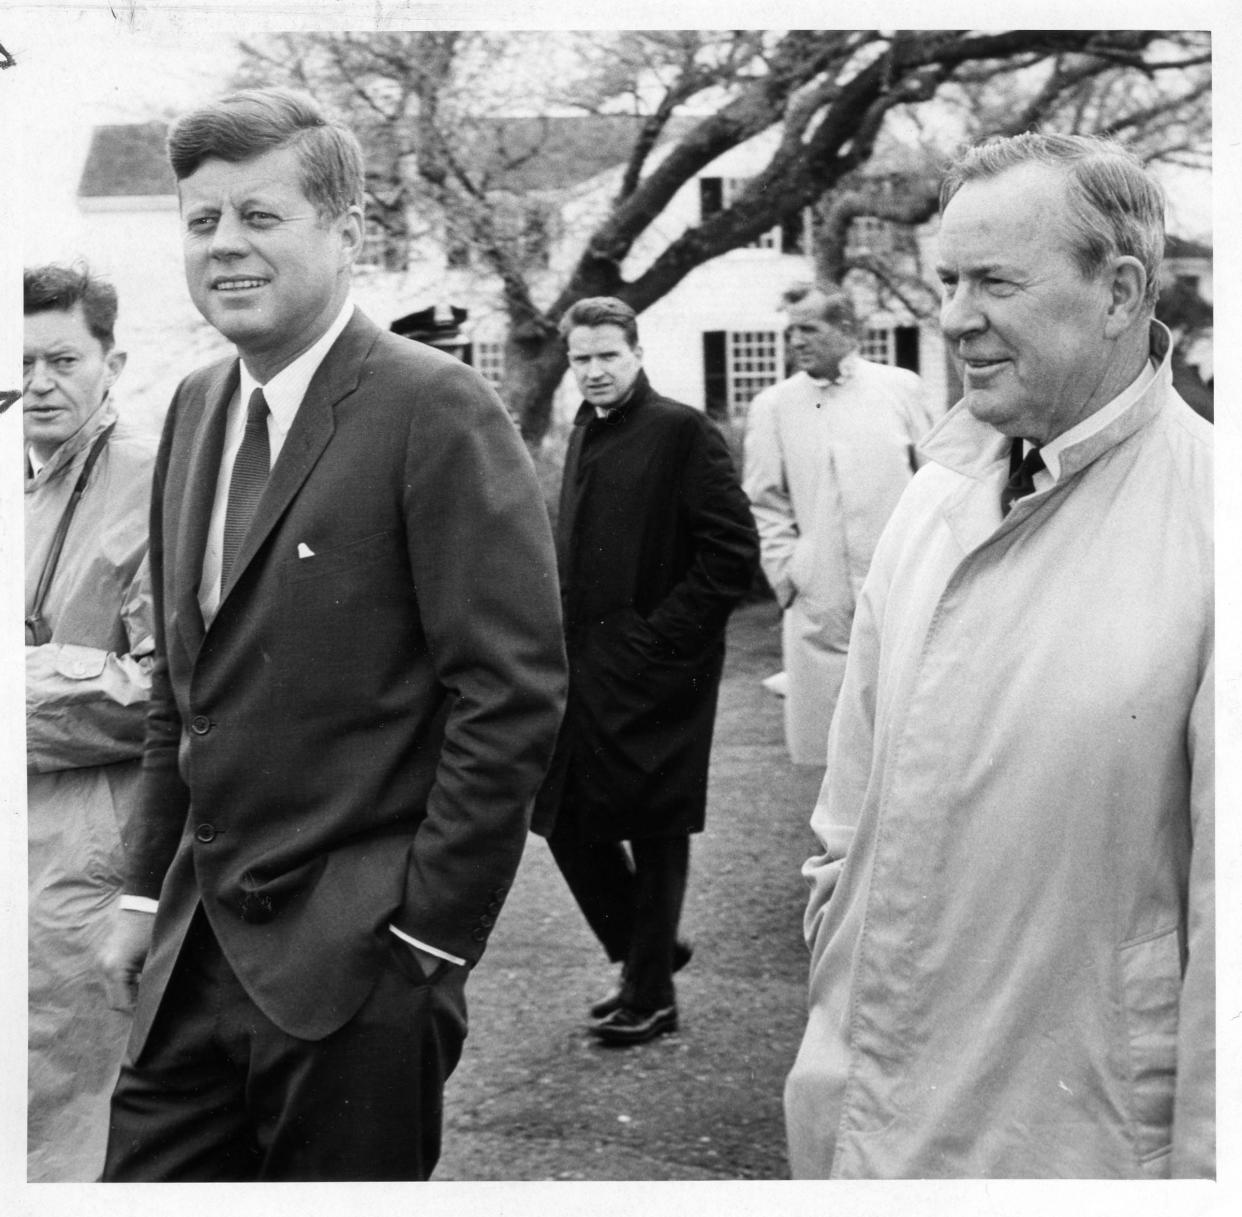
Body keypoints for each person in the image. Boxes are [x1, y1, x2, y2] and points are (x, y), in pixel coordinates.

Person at [99, 87, 567, 1182]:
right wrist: (137, 895)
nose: (224, 246)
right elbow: (184, 682)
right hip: (188, 963)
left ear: (346, 234)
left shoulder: (432, 407)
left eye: (260, 217)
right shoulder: (195, 408)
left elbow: (509, 693)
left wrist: (426, 945)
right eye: (202, 221)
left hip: (355, 977)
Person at [784, 132, 1213, 1178]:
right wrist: (833, 927)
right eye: (947, 279)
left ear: (1119, 291)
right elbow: (851, 808)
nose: (952, 315)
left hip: (1077, 1147)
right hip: (866, 1120)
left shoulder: (1217, 523)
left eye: (994, 281)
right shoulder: (933, 497)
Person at [531, 297, 759, 1046]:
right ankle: (645, 948)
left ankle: (651, 992)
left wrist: (657, 641)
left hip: (662, 669)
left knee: (656, 823)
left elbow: (731, 556)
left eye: (608, 356)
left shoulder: (681, 431)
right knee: (559, 811)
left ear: (636, 352)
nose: (594, 371)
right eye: (581, 359)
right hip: (588, 667)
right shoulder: (587, 433)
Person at [24, 264, 156, 1181]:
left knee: (75, 1136)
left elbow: (171, 690)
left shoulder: (153, 481)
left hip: (84, 862)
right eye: (18, 359)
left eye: (62, 358)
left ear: (113, 361)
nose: (37, 382)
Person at [743, 285, 933, 766]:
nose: (797, 341)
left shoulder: (899, 387)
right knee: (830, 752)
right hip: (818, 593)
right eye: (791, 331)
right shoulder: (775, 404)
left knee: (905, 737)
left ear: (846, 330)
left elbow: (933, 479)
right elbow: (764, 498)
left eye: (809, 328)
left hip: (898, 582)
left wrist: (929, 565)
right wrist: (790, 573)